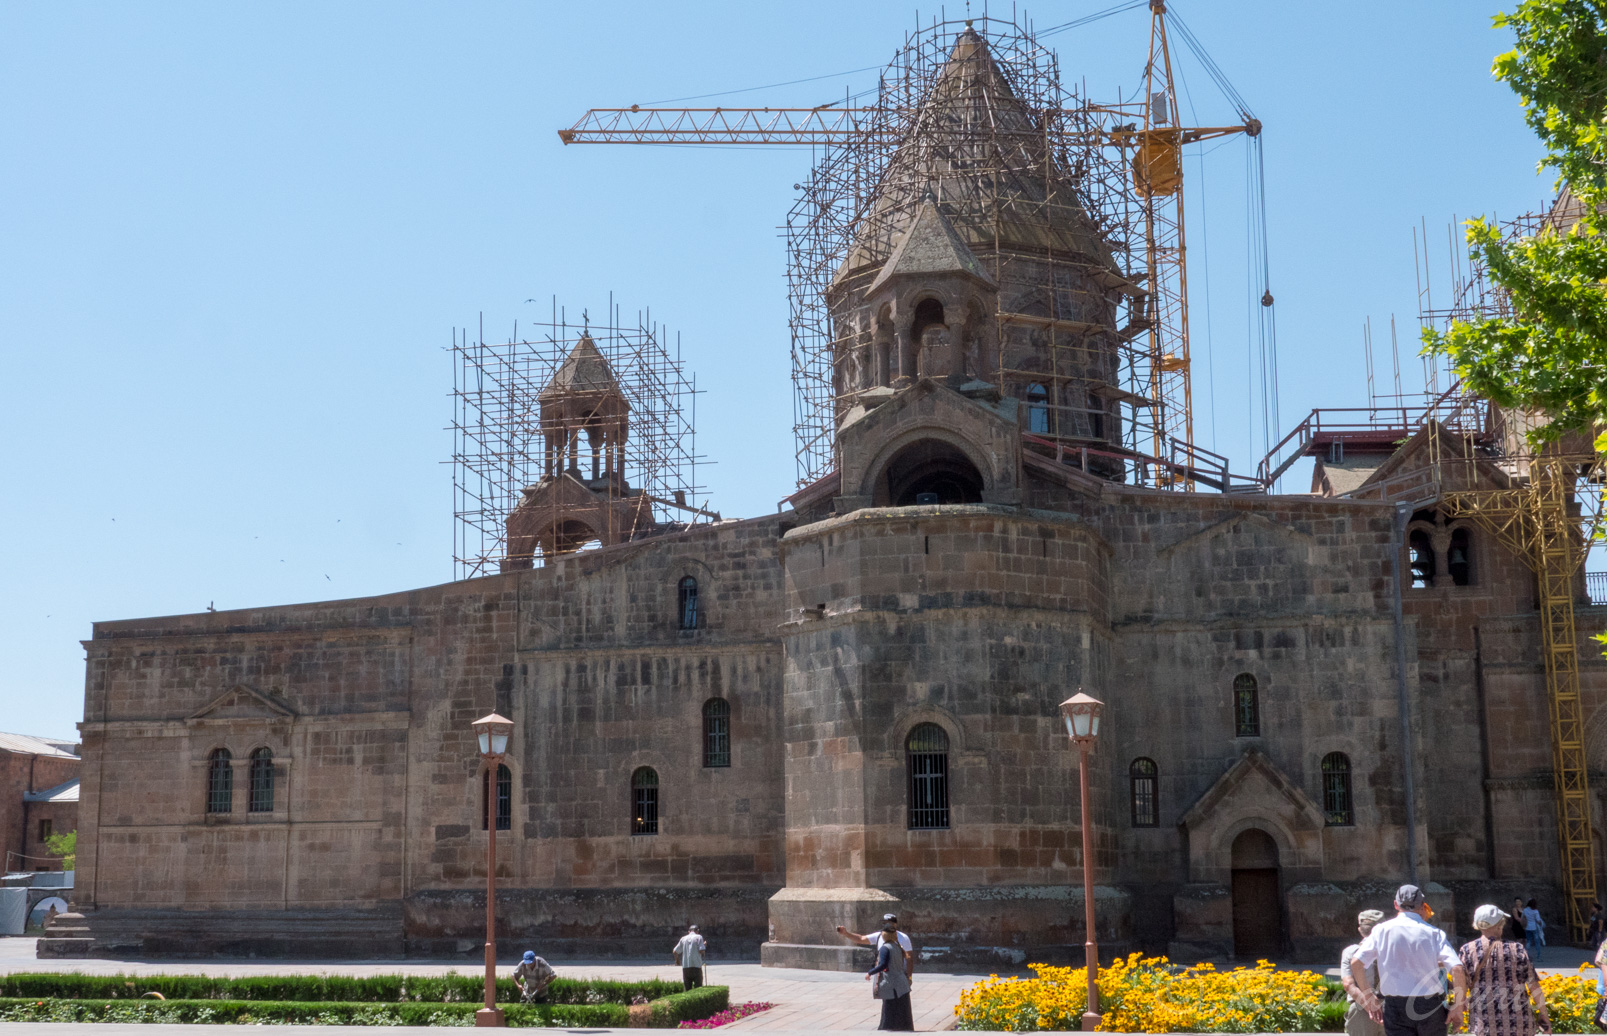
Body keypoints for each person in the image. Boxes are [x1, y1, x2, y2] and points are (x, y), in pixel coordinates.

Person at [1350, 884, 1468, 1036]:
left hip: (1395, 1007)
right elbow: (1457, 969)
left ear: (1395, 904)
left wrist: (1367, 995)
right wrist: (1458, 1007)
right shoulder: (1434, 933)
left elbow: (1356, 963)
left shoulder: (1381, 930)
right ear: (1422, 906)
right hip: (1430, 1006)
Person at [1459, 904, 1550, 1036]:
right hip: (1520, 1024)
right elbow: (1534, 986)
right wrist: (1544, 1015)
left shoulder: (1467, 950)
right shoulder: (1517, 949)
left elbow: (1462, 986)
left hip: (1484, 1024)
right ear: (1499, 924)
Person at [1340, 910, 1388, 1036]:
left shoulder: (1351, 952)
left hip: (1361, 1007)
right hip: (1391, 1007)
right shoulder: (1393, 950)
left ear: (1360, 930)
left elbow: (1348, 984)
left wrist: (1371, 1007)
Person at [864, 916, 913, 1031]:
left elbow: (883, 965)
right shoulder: (898, 947)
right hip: (901, 983)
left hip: (891, 984)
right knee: (902, 1010)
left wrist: (870, 973)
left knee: (889, 1010)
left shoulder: (885, 948)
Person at [836, 914, 915, 985]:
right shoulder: (879, 936)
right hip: (884, 978)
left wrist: (909, 977)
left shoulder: (904, 938)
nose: (886, 925)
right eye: (884, 923)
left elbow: (909, 959)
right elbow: (861, 939)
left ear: (895, 924)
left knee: (900, 999)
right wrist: (846, 933)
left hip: (899, 976)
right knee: (888, 999)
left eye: (888, 923)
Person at [672, 924, 706, 991]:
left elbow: (675, 951)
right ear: (697, 931)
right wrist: (704, 945)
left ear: (689, 931)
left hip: (686, 967)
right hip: (696, 966)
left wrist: (677, 961)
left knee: (687, 989)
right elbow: (701, 950)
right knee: (698, 989)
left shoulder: (683, 938)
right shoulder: (699, 937)